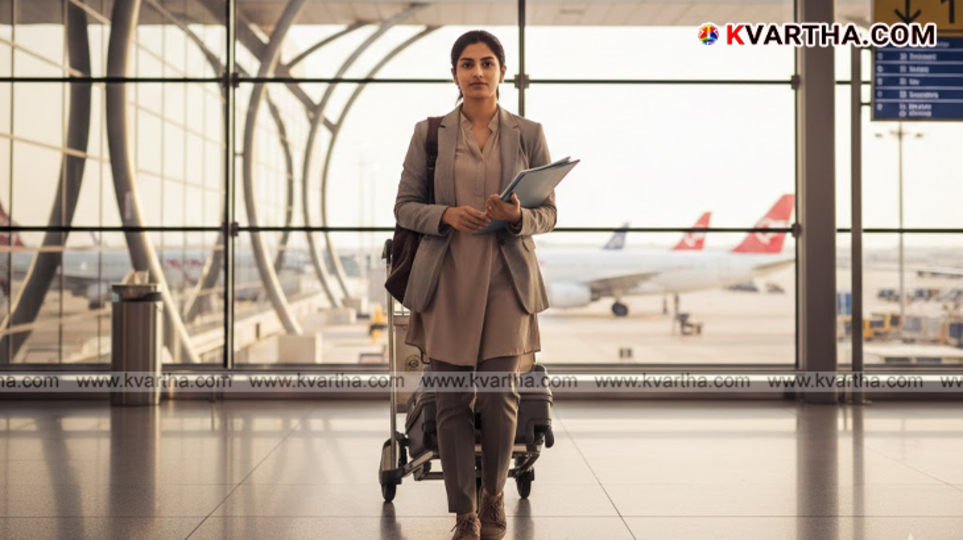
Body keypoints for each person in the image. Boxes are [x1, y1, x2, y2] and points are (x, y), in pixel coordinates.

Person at [393, 30, 557, 540]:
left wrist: (516, 216)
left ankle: (493, 498)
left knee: (499, 395)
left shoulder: (528, 133)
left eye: (488, 64)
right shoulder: (431, 134)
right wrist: (445, 214)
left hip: (507, 280)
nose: (478, 73)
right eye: (467, 64)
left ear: (502, 72)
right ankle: (464, 511)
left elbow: (548, 213)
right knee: (450, 399)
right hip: (447, 279)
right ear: (455, 74)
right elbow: (404, 207)